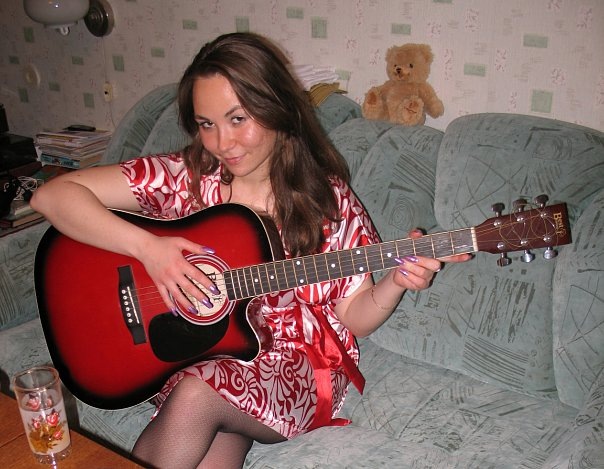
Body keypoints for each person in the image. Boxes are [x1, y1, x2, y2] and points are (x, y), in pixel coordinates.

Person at [31, 32, 470, 468]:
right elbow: (52, 197)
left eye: (238, 119)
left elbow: (354, 315)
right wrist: (149, 250)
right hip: (204, 348)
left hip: (293, 365)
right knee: (213, 430)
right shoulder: (186, 176)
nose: (222, 143)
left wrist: (396, 281)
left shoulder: (326, 200)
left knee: (199, 392)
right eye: (207, 124)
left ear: (276, 107)